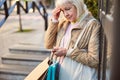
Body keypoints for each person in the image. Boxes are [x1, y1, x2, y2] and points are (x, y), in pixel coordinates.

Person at [45, 0, 100, 80]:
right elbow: (48, 44)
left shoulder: (92, 25)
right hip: (59, 74)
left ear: (77, 6)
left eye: (68, 9)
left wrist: (67, 52)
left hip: (78, 76)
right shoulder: (64, 23)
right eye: (62, 11)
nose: (65, 14)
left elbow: (95, 60)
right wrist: (54, 19)